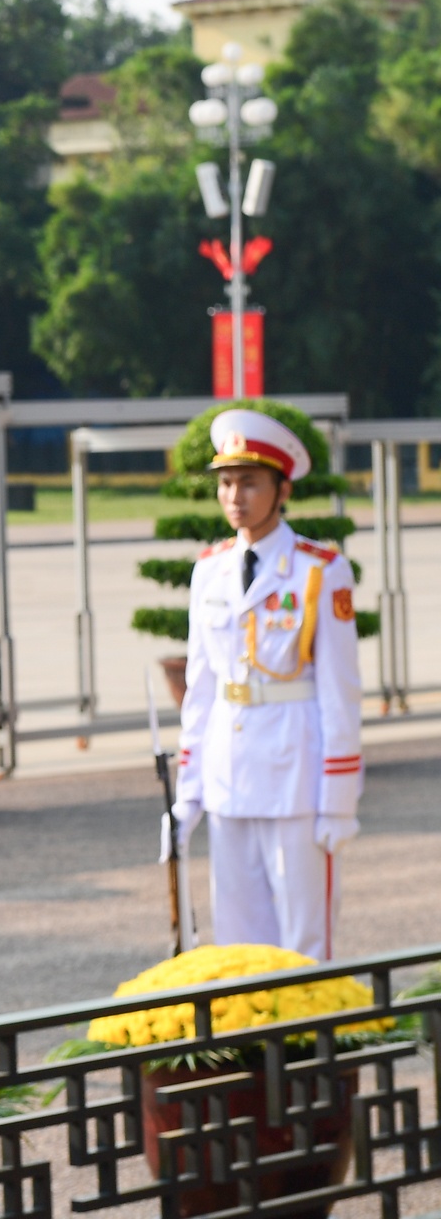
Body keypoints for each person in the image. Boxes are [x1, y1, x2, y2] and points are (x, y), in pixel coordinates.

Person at [173, 408, 362, 960]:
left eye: (249, 482)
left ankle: (311, 1046)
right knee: (237, 943)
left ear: (282, 489)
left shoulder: (319, 571)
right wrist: (188, 797)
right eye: (227, 482)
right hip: (229, 777)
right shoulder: (208, 570)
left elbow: (340, 692)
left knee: (304, 943)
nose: (235, 496)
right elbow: (201, 689)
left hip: (297, 780)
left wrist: (339, 802)